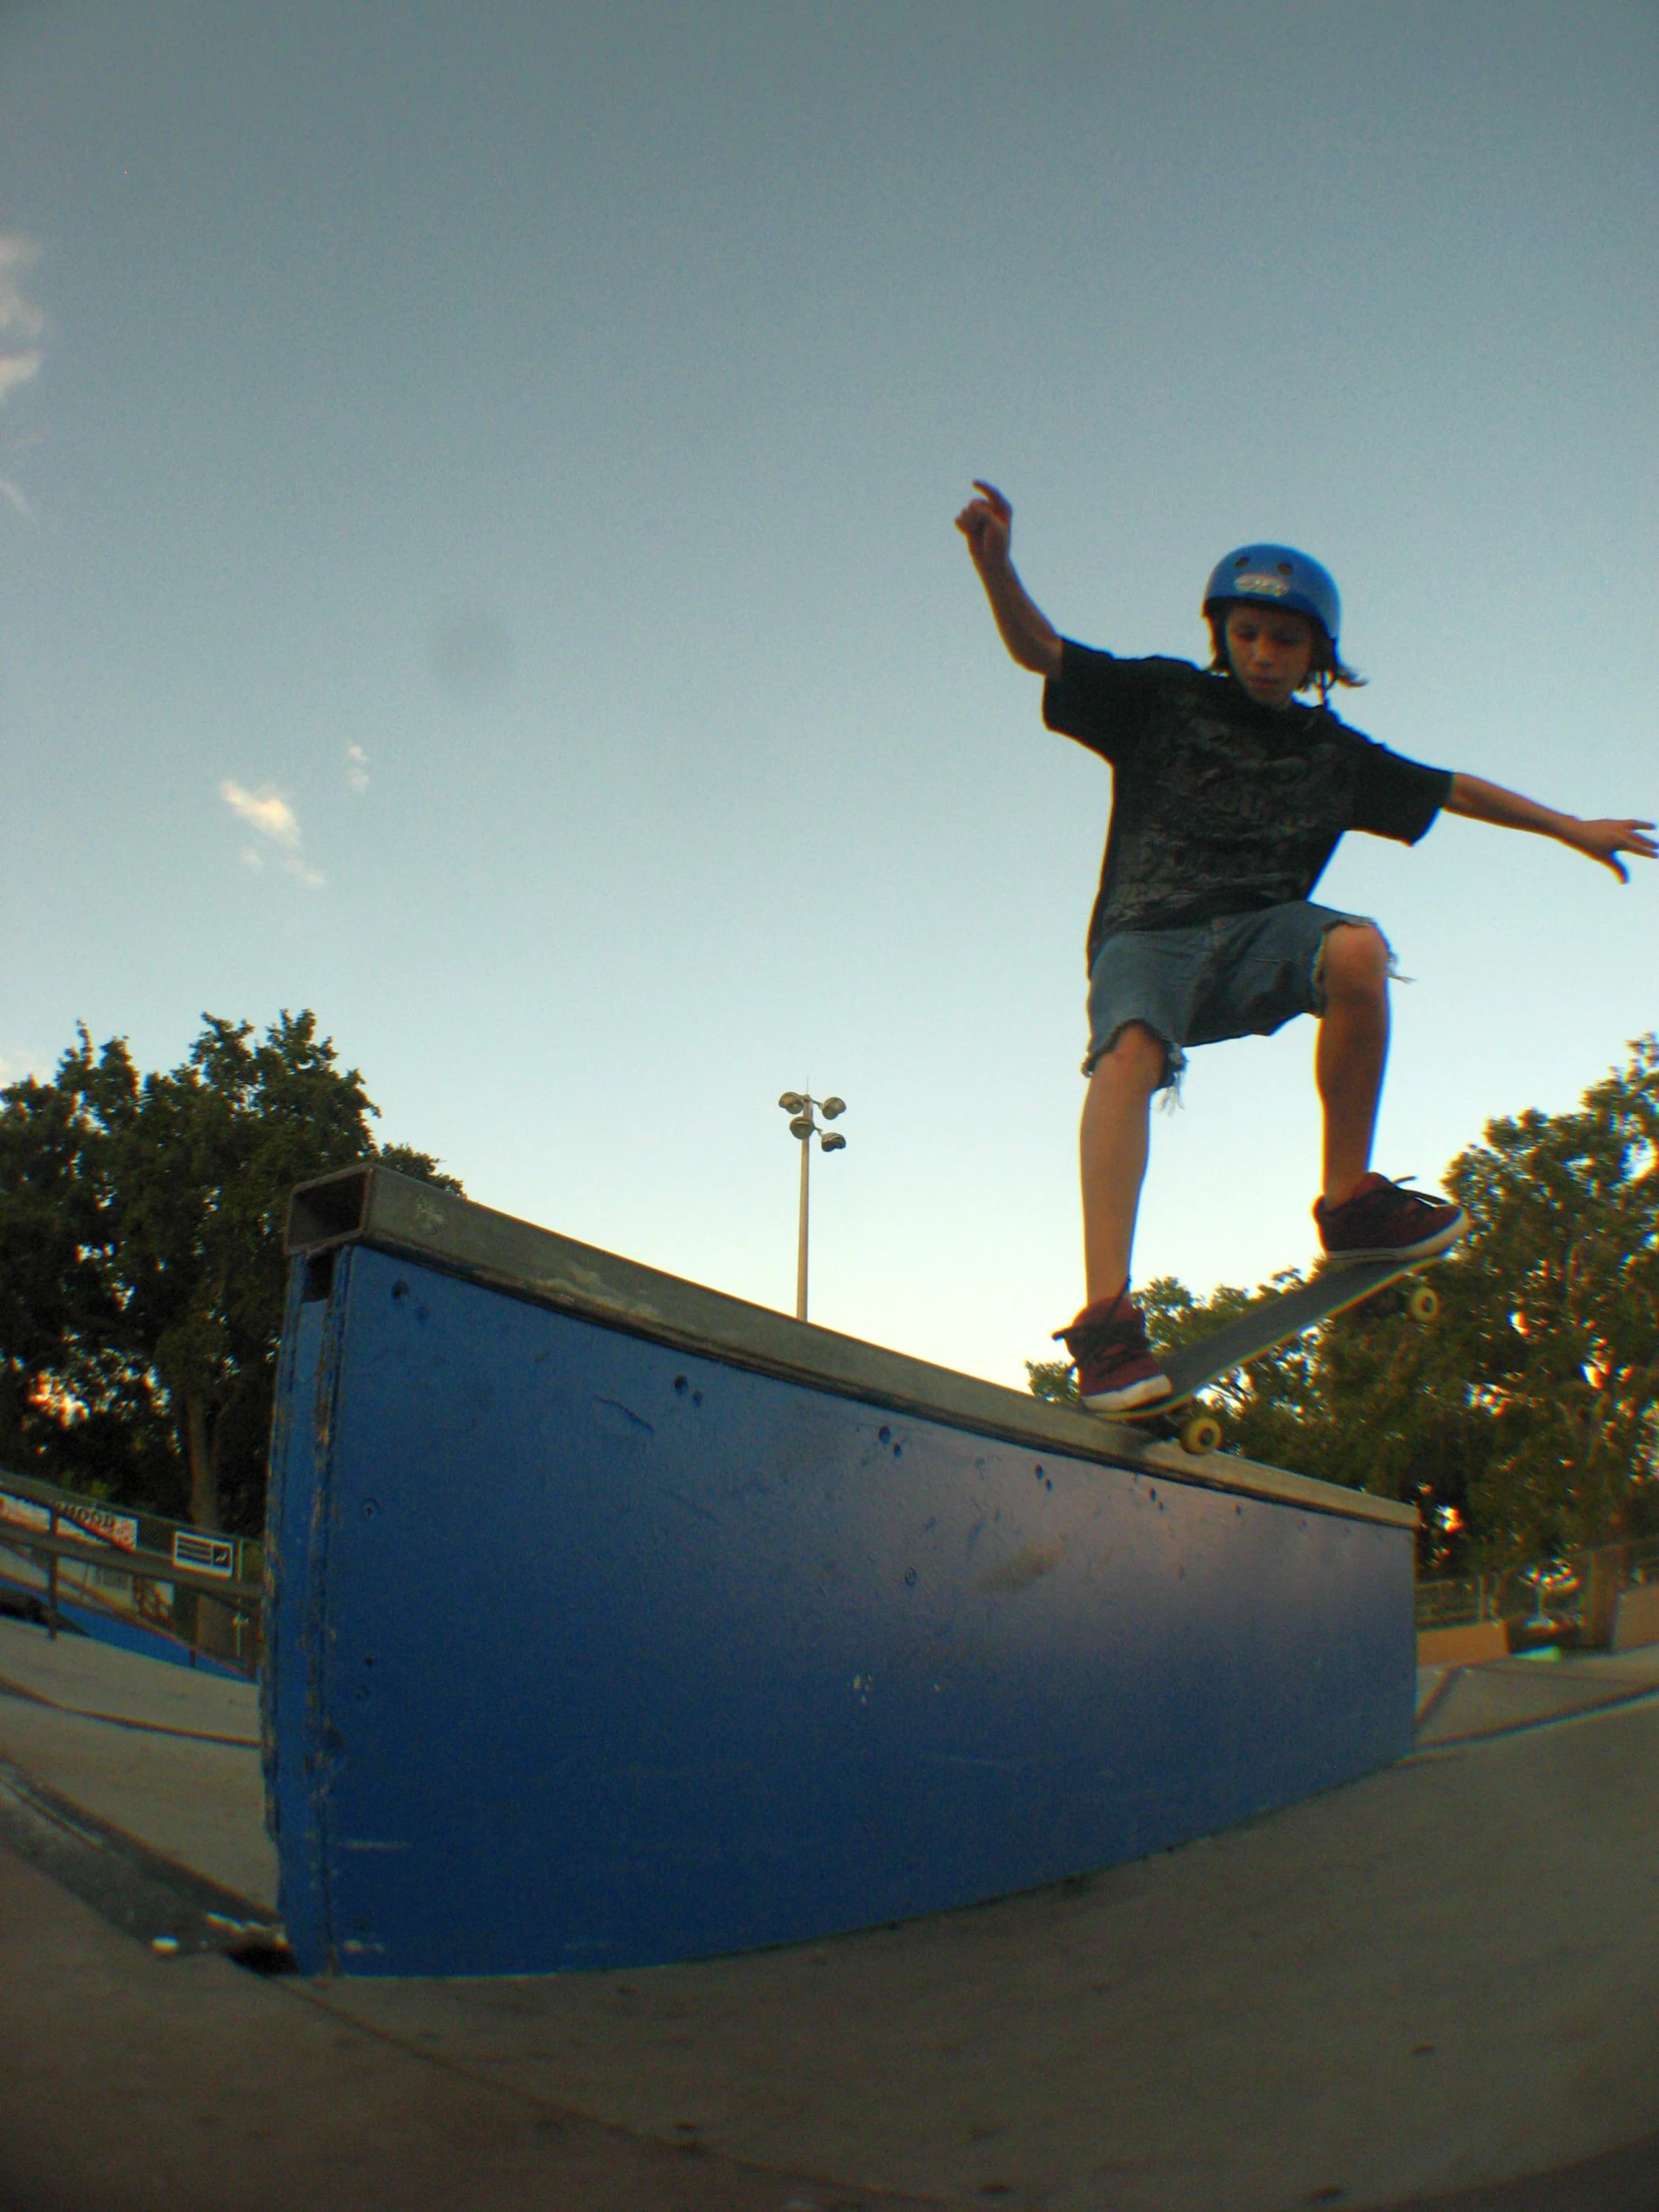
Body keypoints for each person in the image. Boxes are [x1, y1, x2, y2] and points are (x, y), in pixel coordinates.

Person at [956, 481, 1657, 1413]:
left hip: (1258, 942)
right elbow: (1040, 652)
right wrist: (996, 567)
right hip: (1147, 937)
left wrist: (1571, 826)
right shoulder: (1163, 698)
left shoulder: (1336, 753)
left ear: (1316, 652)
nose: (1262, 654)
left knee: (1360, 950)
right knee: (1129, 1051)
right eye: (1246, 634)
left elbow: (1455, 790)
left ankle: (1349, 1202)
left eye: (1283, 641)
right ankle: (1107, 1323)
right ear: (1223, 635)